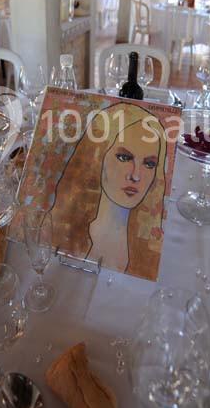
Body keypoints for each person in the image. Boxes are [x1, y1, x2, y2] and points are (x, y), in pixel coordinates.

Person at [48, 102, 168, 280]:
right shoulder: (56, 230)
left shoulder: (148, 250)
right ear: (97, 157)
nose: (136, 176)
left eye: (149, 164)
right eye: (124, 157)